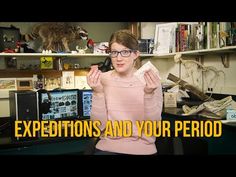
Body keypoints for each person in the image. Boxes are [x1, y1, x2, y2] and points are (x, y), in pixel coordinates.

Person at [86, 29, 163, 155]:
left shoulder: (151, 81)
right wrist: (98, 92)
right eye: (114, 52)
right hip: (107, 148)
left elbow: (152, 128)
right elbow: (98, 127)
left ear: (136, 54)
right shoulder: (103, 79)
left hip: (142, 150)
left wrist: (149, 94)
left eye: (125, 52)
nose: (119, 58)